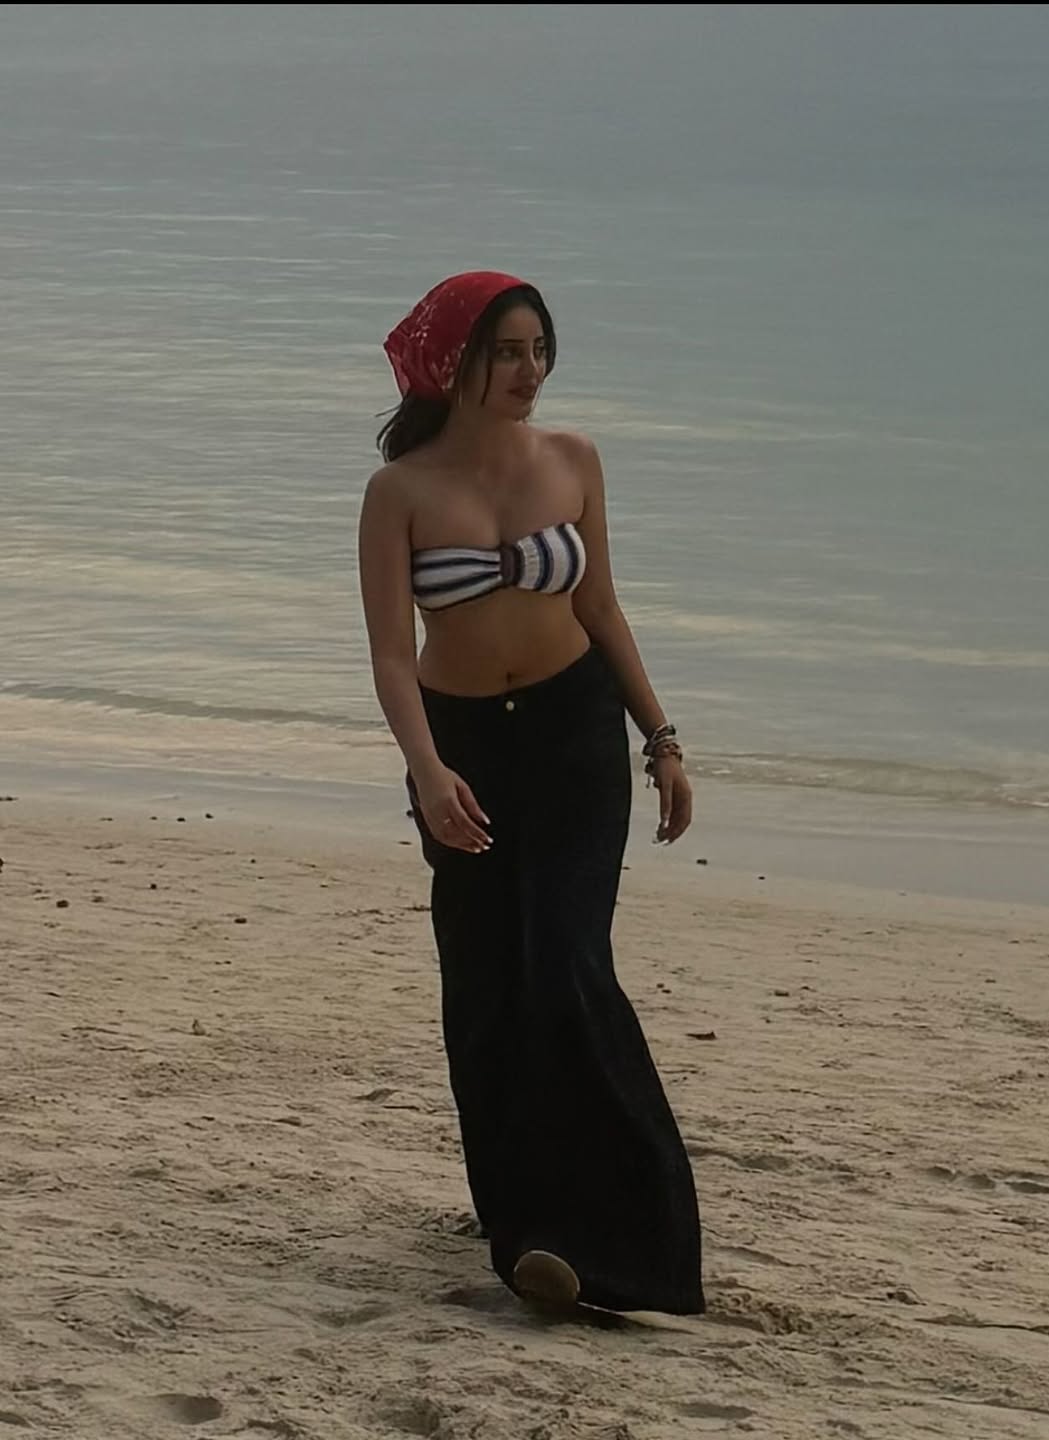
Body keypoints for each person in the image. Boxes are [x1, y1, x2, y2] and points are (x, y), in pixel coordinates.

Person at [358, 270, 704, 1315]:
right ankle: (525, 1224)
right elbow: (391, 657)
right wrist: (428, 770)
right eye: (507, 351)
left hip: (572, 735)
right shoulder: (400, 493)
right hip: (463, 745)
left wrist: (661, 738)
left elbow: (601, 606)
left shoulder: (574, 461)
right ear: (454, 362)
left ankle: (629, 1237)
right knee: (486, 986)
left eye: (539, 350)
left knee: (566, 966)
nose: (530, 371)